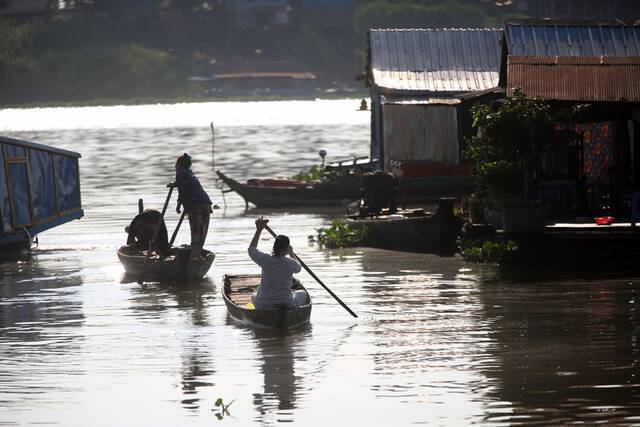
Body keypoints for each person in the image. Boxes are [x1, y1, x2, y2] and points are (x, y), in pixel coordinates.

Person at [248, 216, 307, 309]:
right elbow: (299, 267)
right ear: (286, 248)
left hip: (264, 304)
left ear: (274, 247)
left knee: (253, 296)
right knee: (303, 293)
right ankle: (293, 313)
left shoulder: (265, 259)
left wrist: (258, 230)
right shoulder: (290, 263)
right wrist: (291, 252)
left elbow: (251, 250)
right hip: (287, 302)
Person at [172, 153, 212, 259]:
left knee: (195, 230)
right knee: (202, 230)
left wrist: (178, 205)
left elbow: (182, 190)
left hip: (196, 205)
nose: (175, 167)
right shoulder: (189, 173)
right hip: (206, 203)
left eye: (176, 164)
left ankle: (195, 254)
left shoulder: (180, 173)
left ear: (179, 164)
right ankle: (197, 252)